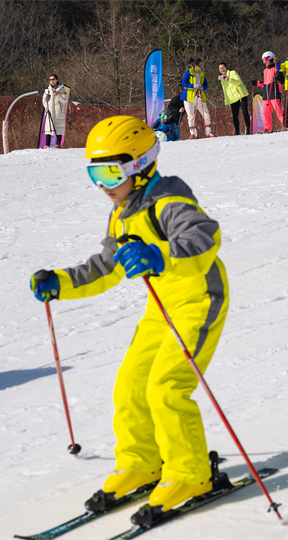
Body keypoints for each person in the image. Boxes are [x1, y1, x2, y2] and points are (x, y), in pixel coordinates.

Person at [29, 115, 229, 513]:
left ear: (140, 166)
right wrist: (61, 283)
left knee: (166, 387)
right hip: (162, 307)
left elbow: (205, 237)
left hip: (199, 300)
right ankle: (142, 463)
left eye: (109, 173)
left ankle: (190, 473)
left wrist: (160, 254)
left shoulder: (168, 201)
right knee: (131, 385)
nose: (102, 185)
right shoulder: (121, 213)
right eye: (94, 175)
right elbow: (107, 266)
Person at [181, 59, 215, 139]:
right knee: (190, 116)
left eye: (202, 65)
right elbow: (184, 83)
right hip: (188, 97)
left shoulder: (202, 74)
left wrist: (203, 88)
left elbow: (206, 85)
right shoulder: (189, 72)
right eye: (200, 65)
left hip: (198, 96)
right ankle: (193, 134)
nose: (201, 67)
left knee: (206, 113)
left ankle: (208, 132)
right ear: (195, 66)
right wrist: (193, 86)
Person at [254, 51, 285, 134]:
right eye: (263, 60)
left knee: (279, 111)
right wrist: (257, 83)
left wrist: (277, 80)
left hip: (274, 93)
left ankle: (285, 125)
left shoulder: (276, 68)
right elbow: (265, 83)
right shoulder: (265, 71)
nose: (264, 62)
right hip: (266, 95)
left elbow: (282, 81)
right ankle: (267, 128)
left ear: (271, 59)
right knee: (265, 112)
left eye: (265, 59)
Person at [218, 62, 250, 135]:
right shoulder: (222, 79)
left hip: (241, 95)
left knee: (245, 113)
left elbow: (238, 82)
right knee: (235, 115)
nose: (222, 70)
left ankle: (248, 129)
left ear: (226, 67)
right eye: (220, 69)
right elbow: (225, 91)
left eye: (223, 68)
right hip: (232, 98)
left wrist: (229, 79)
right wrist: (227, 102)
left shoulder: (232, 73)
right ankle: (237, 131)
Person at [42, 74, 68, 148]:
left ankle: (58, 144)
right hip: (50, 112)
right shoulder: (47, 90)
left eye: (53, 79)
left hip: (58, 112)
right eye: (50, 80)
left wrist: (57, 95)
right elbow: (44, 100)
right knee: (48, 128)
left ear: (56, 79)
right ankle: (47, 145)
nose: (52, 81)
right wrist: (47, 108)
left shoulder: (62, 89)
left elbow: (64, 100)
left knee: (59, 128)